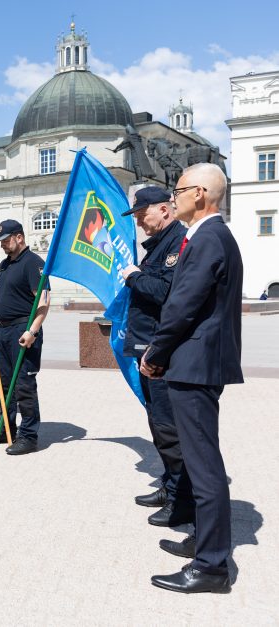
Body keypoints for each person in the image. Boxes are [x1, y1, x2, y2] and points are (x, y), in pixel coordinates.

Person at [141, 163, 243, 594]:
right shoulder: (207, 237)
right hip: (198, 363)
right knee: (202, 459)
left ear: (199, 193)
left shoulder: (208, 239)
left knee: (203, 465)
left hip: (195, 365)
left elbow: (181, 306)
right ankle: (204, 541)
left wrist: (155, 352)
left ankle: (212, 566)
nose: (173, 196)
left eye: (178, 190)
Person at [119, 186, 193, 527]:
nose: (138, 222)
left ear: (164, 209)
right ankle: (170, 485)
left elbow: (166, 293)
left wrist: (135, 276)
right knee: (158, 424)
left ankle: (181, 501)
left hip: (162, 353)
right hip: (148, 348)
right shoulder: (160, 244)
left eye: (141, 214)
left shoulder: (178, 242)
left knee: (169, 429)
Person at [0, 219, 49, 455]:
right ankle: (6, 428)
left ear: (19, 237)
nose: (2, 245)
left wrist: (33, 331)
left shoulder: (33, 263)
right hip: (2, 331)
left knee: (24, 385)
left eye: (6, 240)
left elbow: (43, 301)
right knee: (3, 383)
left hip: (23, 330)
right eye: (0, 241)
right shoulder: (4, 265)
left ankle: (28, 436)